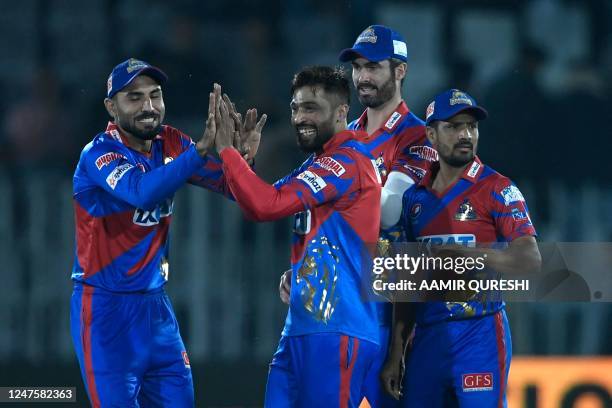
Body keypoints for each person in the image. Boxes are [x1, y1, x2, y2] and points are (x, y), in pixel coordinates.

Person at [70, 58, 264, 407]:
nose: (148, 106)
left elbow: (228, 188)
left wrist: (239, 161)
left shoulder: (171, 142)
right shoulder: (98, 153)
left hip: (157, 310)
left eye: (155, 95)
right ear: (111, 107)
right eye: (134, 97)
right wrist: (202, 150)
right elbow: (141, 190)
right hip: (104, 311)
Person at [278, 25, 436, 407]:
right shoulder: (342, 134)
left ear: (400, 71)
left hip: (394, 311)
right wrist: (303, 269)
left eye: (374, 67)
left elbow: (388, 210)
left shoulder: (418, 136)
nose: (363, 77)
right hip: (342, 308)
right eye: (358, 67)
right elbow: (308, 210)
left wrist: (345, 187)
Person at [213, 66, 381, 407]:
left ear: (341, 113)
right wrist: (245, 161)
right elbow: (256, 204)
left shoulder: (347, 163)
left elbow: (265, 205)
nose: (300, 117)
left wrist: (227, 153)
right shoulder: (319, 162)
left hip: (338, 330)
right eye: (295, 108)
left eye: (311, 108)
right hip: (301, 331)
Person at [381, 89, 542, 407]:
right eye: (454, 127)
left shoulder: (497, 188)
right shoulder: (413, 199)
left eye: (472, 126)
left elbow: (529, 258)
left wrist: (467, 253)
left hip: (479, 334)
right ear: (431, 134)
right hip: (427, 338)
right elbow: (408, 283)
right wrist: (396, 351)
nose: (466, 134)